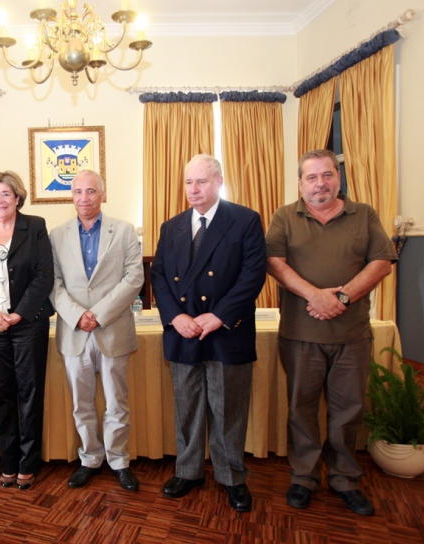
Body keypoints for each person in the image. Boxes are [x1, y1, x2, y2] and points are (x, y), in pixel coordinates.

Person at [266, 149, 398, 517]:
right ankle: (303, 477)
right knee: (301, 409)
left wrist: (341, 297)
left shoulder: (364, 214)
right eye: (311, 177)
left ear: (338, 178)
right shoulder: (284, 216)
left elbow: (382, 262)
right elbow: (274, 263)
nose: (320, 183)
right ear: (300, 183)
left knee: (348, 410)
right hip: (300, 334)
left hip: (351, 335)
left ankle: (344, 478)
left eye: (327, 175)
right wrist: (315, 295)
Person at [151, 154, 266, 512]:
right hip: (184, 331)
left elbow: (253, 275)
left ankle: (232, 477)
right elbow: (158, 276)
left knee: (228, 409)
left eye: (201, 181)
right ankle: (188, 471)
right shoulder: (171, 227)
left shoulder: (244, 220)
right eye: (188, 182)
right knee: (187, 408)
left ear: (218, 181)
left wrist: (219, 315)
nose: (193, 189)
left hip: (227, 331)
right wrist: (175, 317)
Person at [49, 170, 143, 491]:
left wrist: (99, 315)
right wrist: (78, 316)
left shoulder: (124, 230)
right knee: (82, 404)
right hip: (74, 332)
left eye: (91, 191)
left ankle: (118, 460)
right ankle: (90, 458)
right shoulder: (56, 235)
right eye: (78, 192)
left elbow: (134, 277)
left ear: (103, 194)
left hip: (112, 329)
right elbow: (53, 283)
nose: (84, 198)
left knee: (117, 402)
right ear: (71, 196)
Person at [0, 171, 54, 491]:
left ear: (17, 198)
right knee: (0, 395)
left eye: (5, 194)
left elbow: (44, 275)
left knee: (29, 394)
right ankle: (8, 461)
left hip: (28, 324)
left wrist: (18, 314)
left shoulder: (36, 227)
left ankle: (28, 463)